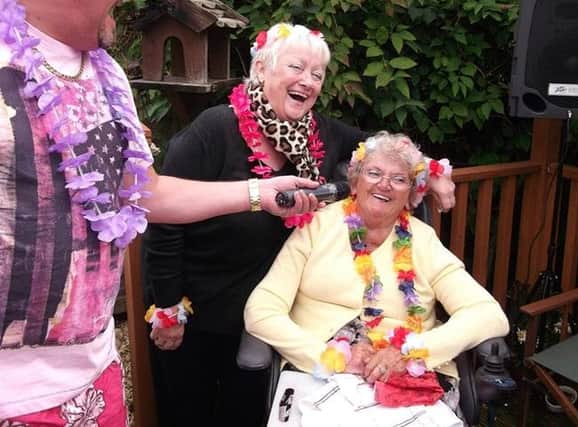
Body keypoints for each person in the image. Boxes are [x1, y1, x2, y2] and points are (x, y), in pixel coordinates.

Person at [0, 2, 321, 425]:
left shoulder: (106, 74)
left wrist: (259, 193)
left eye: (318, 74)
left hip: (94, 374)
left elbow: (145, 193)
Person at [145, 23, 457, 426]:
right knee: (189, 415)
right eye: (296, 67)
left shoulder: (318, 133)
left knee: (244, 416)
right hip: (198, 313)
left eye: (317, 74)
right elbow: (164, 221)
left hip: (267, 317)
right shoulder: (212, 131)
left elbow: (385, 150)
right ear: (261, 69)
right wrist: (168, 306)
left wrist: (428, 170)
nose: (307, 82)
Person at [244, 132, 509, 420]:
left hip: (405, 376)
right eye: (374, 173)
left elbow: (487, 314)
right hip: (319, 371)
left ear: (410, 195)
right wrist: (329, 356)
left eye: (399, 179)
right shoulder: (316, 226)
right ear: (355, 183)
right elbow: (261, 308)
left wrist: (412, 351)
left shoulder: (424, 241)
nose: (384, 184)